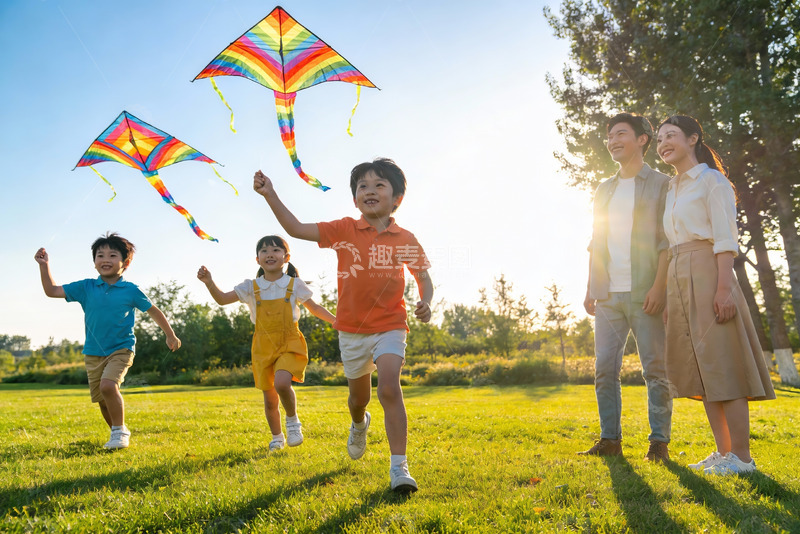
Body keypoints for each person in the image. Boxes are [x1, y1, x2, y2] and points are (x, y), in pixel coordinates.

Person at [253, 158, 433, 493]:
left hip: (391, 325)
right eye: (362, 186)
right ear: (354, 199)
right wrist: (270, 194)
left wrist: (426, 301)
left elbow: (423, 277)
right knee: (358, 400)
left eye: (379, 184)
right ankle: (358, 423)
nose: (369, 190)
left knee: (390, 388)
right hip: (351, 330)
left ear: (397, 198)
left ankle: (399, 469)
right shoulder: (343, 229)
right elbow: (295, 229)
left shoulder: (405, 238)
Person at [656, 115, 775, 475]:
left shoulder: (712, 181)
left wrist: (724, 288)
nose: (664, 143)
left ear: (693, 139)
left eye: (671, 135)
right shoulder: (672, 188)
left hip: (709, 270)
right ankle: (724, 454)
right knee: (703, 368)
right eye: (660, 138)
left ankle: (742, 457)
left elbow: (725, 239)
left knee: (723, 361)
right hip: (680, 272)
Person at [581, 113, 673, 462]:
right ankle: (610, 440)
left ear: (643, 140)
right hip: (607, 294)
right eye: (609, 136)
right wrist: (591, 285)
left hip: (645, 291)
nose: (612, 140)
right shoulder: (604, 188)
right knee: (604, 368)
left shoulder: (662, 184)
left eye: (621, 133)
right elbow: (596, 240)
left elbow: (667, 241)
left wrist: (659, 288)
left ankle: (659, 443)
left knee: (655, 369)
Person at [34, 233, 180, 450]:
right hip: (93, 352)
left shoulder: (131, 290)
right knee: (102, 399)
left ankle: (119, 432)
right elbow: (52, 291)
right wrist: (44, 266)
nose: (105, 259)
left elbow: (154, 311)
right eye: (100, 255)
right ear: (94, 262)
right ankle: (118, 432)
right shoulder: (86, 287)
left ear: (126, 262)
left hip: (121, 349)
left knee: (108, 386)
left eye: (112, 255)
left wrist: (170, 334)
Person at [197, 235, 335, 452]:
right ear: (257, 259)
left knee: (282, 383)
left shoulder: (294, 284)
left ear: (286, 257)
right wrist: (209, 283)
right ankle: (277, 437)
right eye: (264, 251)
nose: (270, 254)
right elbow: (222, 299)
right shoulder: (251, 287)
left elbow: (315, 308)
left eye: (276, 250)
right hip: (262, 344)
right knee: (270, 398)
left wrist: (338, 322)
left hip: (289, 341)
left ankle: (292, 421)